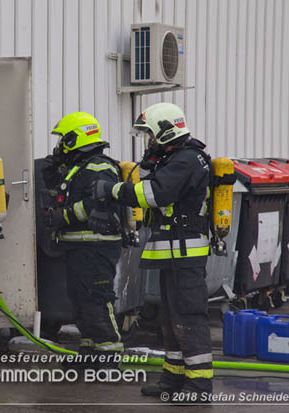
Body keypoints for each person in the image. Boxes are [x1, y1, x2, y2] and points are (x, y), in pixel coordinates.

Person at [92, 102, 213, 398]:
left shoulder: (186, 160)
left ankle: (198, 385)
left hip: (186, 254)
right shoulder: (175, 160)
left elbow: (156, 193)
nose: (150, 142)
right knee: (171, 319)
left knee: (188, 317)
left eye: (151, 135)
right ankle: (173, 380)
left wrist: (113, 191)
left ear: (165, 131)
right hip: (174, 254)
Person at [41, 112, 124, 366]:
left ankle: (110, 357)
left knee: (97, 300)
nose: (60, 145)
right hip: (80, 246)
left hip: (97, 247)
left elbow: (97, 203)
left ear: (75, 139)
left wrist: (63, 217)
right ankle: (90, 355)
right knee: (81, 303)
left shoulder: (99, 167)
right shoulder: (79, 168)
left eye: (63, 139)